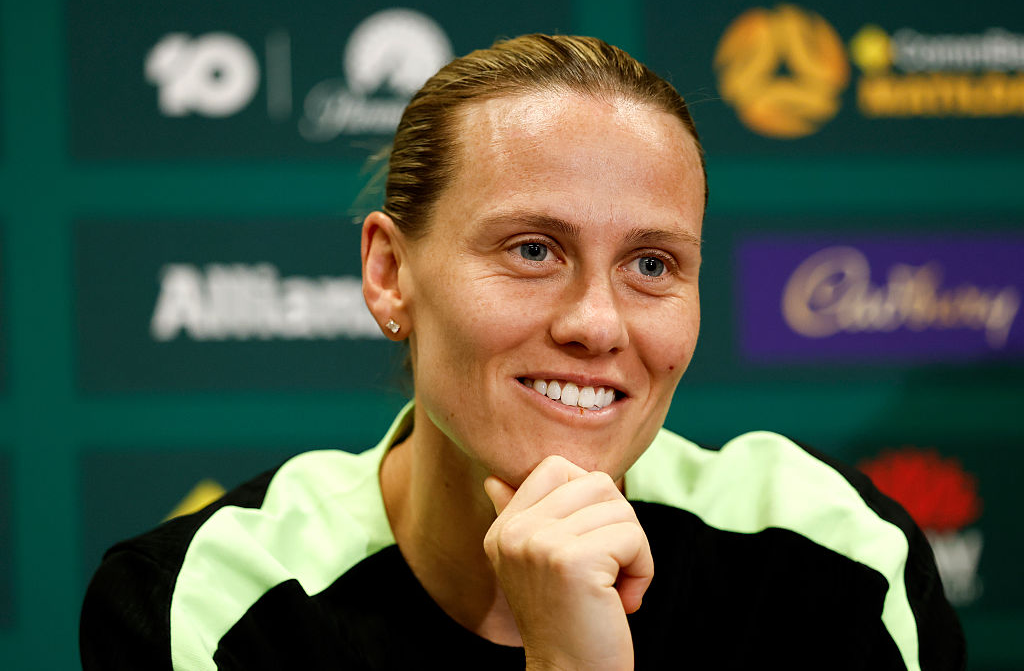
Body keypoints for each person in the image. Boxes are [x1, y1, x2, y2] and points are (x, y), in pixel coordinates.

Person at [80, 34, 964, 670]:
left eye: (651, 263)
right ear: (391, 273)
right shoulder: (207, 605)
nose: (597, 322)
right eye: (533, 249)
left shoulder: (833, 553)